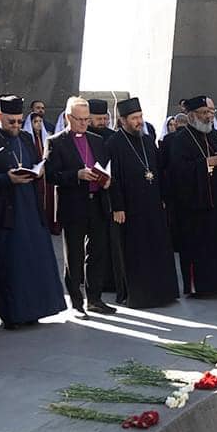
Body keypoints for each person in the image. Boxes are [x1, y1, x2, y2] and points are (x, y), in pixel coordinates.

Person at [0, 95, 65, 328]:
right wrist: (5, 179)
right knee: (9, 265)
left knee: (33, 262)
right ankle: (12, 316)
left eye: (18, 121)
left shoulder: (25, 138)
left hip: (30, 210)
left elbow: (37, 163)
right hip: (3, 213)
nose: (15, 126)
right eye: (10, 122)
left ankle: (34, 311)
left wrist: (39, 171)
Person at [105, 97, 179, 308]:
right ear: (122, 120)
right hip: (130, 208)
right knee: (135, 252)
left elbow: (157, 171)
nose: (139, 121)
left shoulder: (147, 141)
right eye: (134, 118)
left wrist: (164, 197)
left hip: (153, 205)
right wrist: (117, 206)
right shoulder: (113, 144)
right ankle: (140, 295)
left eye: (140, 117)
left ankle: (163, 292)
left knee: (158, 247)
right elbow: (113, 178)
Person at [45, 96, 116, 315]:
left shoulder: (96, 140)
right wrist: (76, 175)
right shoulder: (56, 141)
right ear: (68, 117)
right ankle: (76, 301)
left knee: (97, 253)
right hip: (73, 205)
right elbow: (51, 175)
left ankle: (94, 299)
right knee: (74, 256)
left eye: (87, 119)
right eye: (80, 119)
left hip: (97, 204)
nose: (84, 124)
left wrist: (106, 180)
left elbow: (104, 167)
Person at [164, 95, 217, 295]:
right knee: (199, 248)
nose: (209, 117)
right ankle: (200, 287)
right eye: (205, 113)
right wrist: (207, 163)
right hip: (195, 206)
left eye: (211, 113)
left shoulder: (214, 136)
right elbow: (178, 171)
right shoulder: (180, 140)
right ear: (193, 115)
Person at [85, 98, 125, 301]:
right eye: (97, 118)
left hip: (112, 193)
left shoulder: (113, 137)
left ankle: (112, 281)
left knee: (113, 242)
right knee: (95, 244)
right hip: (91, 197)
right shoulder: (84, 138)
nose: (102, 122)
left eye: (104, 118)